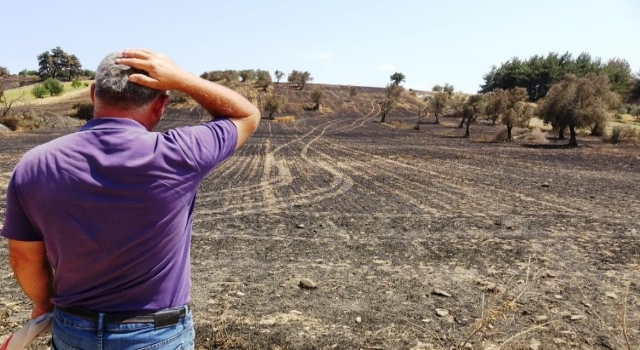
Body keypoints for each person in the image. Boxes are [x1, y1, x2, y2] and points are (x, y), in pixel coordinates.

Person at [1, 49, 261, 349]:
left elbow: (23, 257)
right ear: (161, 104)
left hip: (73, 329)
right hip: (156, 335)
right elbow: (246, 115)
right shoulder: (179, 153)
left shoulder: (35, 164)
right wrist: (182, 79)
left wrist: (46, 306)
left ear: (93, 93)